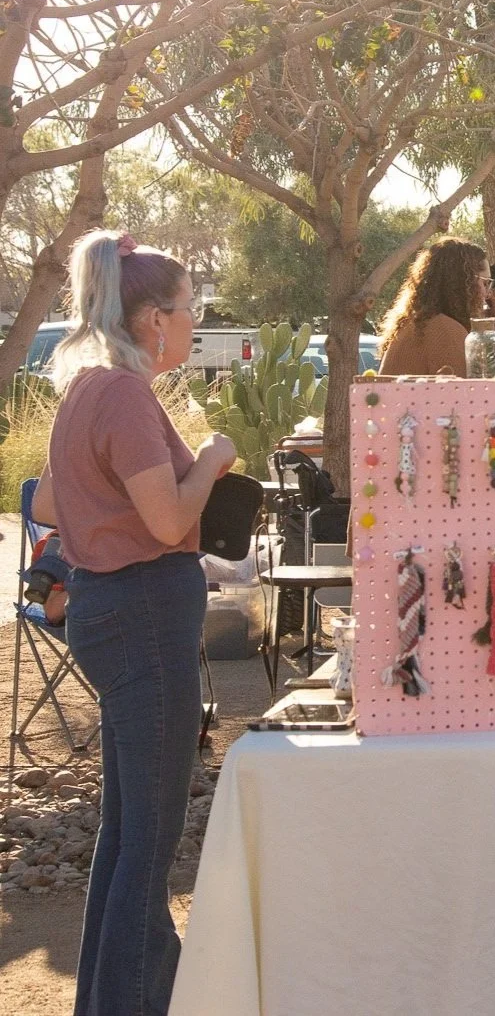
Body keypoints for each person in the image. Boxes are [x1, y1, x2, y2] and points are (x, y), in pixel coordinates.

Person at [31, 230, 238, 1015]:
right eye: (189, 310)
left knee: (127, 836)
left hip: (112, 610)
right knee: (146, 844)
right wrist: (211, 458)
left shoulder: (87, 386)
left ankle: (110, 1000)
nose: (192, 323)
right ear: (153, 318)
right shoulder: (120, 392)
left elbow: (49, 501)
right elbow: (164, 520)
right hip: (145, 612)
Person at [378, 239, 491, 375]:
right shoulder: (445, 329)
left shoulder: (417, 324)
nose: (488, 293)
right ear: (464, 283)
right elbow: (468, 393)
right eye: (485, 283)